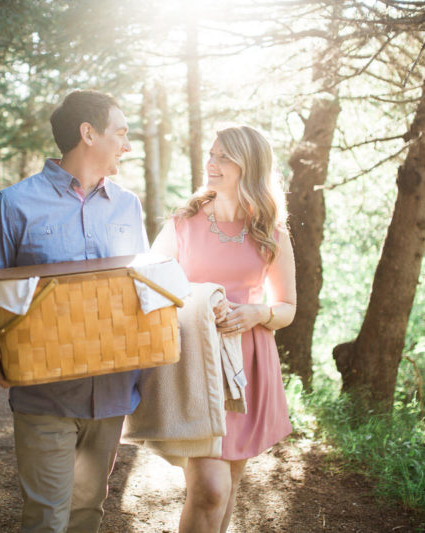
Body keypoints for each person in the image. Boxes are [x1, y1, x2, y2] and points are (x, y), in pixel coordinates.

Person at [0, 90, 148, 533]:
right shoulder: (14, 204)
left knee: (87, 513)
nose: (126, 144)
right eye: (120, 133)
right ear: (89, 134)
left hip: (112, 392)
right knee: (46, 519)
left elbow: (143, 288)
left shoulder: (128, 206)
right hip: (44, 394)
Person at [151, 125, 296, 533]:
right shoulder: (184, 222)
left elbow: (287, 308)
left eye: (223, 157)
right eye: (210, 155)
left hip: (248, 366)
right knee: (210, 489)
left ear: (248, 166)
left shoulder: (270, 231)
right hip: (196, 361)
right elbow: (151, 284)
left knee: (228, 485)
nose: (210, 164)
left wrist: (258, 314)